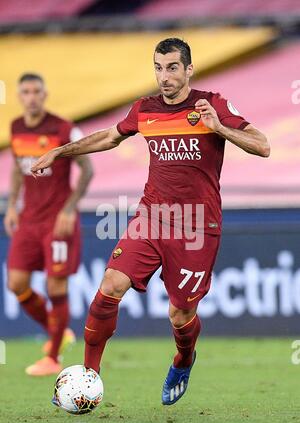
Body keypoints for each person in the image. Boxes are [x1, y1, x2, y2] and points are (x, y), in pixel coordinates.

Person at [31, 38, 270, 403]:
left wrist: (219, 127)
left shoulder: (213, 104)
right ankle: (86, 378)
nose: (164, 76)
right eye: (158, 68)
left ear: (189, 68)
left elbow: (263, 145)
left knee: (180, 313)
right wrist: (60, 151)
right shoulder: (145, 108)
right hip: (152, 217)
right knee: (110, 285)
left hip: (196, 225)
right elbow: (110, 137)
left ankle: (184, 358)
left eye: (172, 67)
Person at [4, 73, 93, 376]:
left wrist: (69, 209)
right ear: (19, 96)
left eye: (36, 91)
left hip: (57, 220)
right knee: (16, 283)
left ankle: (53, 357)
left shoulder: (63, 128)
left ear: (45, 94)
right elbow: (19, 169)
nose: (31, 96)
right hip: (28, 219)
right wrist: (12, 206)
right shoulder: (15, 127)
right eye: (26, 91)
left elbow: (88, 169)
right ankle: (58, 330)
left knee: (56, 286)